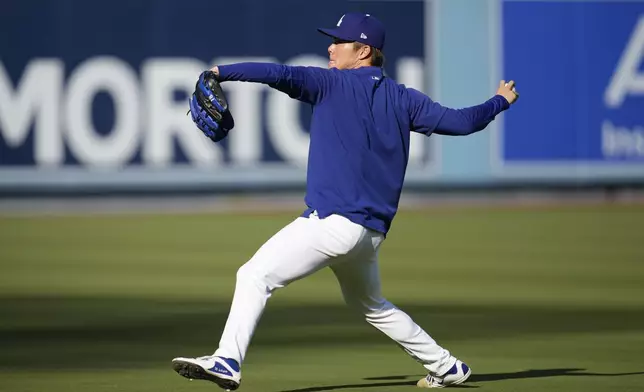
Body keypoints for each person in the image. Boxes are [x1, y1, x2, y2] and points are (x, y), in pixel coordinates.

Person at [172, 12, 519, 391]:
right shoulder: (405, 99)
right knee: (370, 305)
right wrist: (499, 100)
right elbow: (463, 122)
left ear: (364, 50)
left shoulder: (329, 84)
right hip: (369, 235)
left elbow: (276, 74)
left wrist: (220, 71)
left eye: (340, 41)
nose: (331, 47)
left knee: (254, 275)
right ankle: (447, 366)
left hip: (332, 225)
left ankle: (227, 360)